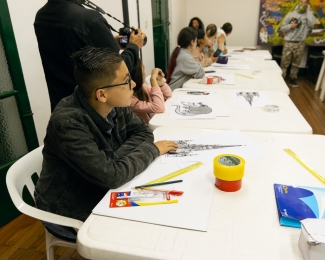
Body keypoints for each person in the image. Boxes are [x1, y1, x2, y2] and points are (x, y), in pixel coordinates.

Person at [34, 46, 178, 222]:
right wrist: (152, 150)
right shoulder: (68, 123)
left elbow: (142, 132)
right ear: (101, 94)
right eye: (126, 81)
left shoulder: (115, 103)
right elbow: (113, 176)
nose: (133, 85)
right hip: (69, 205)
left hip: (102, 186)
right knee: (151, 220)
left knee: (169, 202)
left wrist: (113, 164)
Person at [34, 0, 146, 111]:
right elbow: (118, 70)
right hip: (92, 111)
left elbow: (68, 48)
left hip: (61, 106)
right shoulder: (89, 19)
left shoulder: (42, 16)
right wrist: (134, 47)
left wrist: (107, 41)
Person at [279, 0, 316, 87]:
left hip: (300, 43)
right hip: (289, 42)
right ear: (298, 3)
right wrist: (290, 26)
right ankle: (282, 78)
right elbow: (282, 28)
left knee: (296, 62)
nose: (303, 4)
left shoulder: (308, 16)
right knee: (284, 62)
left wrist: (308, 11)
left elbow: (312, 23)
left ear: (307, 4)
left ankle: (293, 78)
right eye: (301, 1)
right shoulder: (291, 14)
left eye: (305, 2)